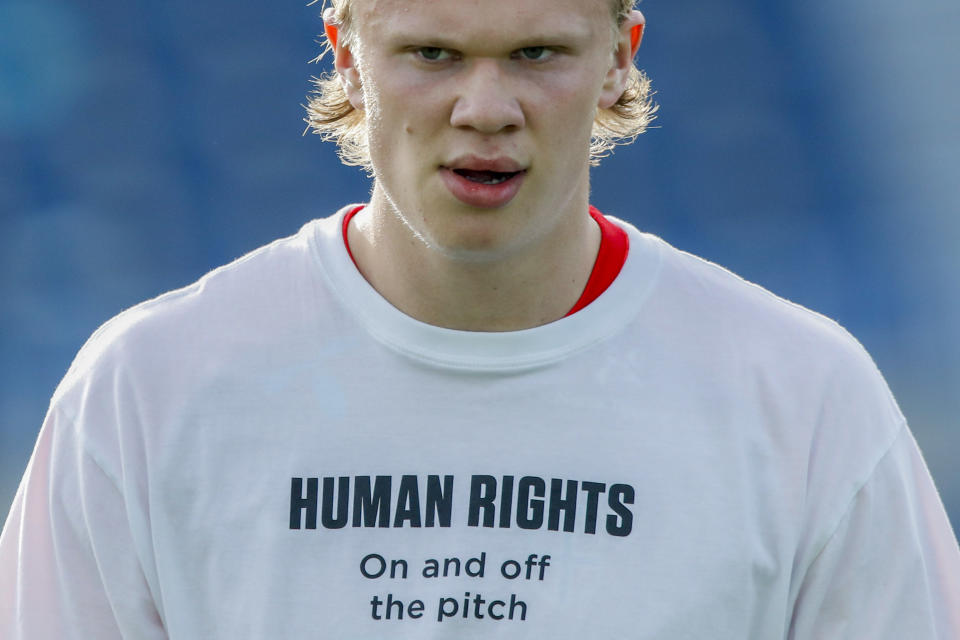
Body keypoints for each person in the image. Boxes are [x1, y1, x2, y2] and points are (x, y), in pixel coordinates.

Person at [2, 0, 959, 636]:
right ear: (346, 56)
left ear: (620, 59)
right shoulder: (148, 386)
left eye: (536, 53)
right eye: (433, 55)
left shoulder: (801, 391)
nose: (486, 107)